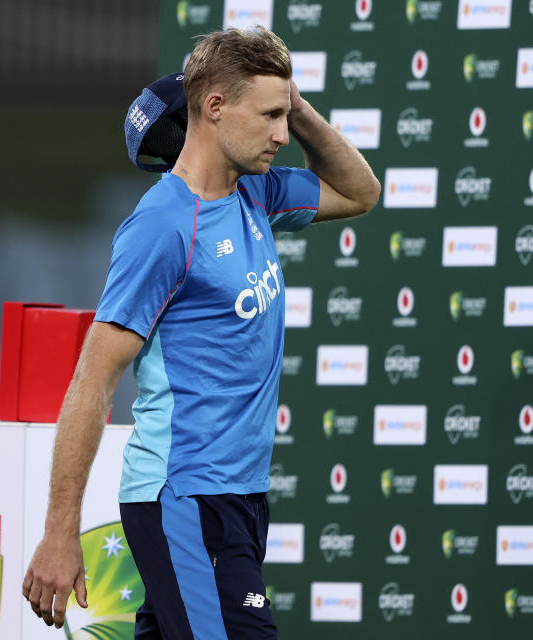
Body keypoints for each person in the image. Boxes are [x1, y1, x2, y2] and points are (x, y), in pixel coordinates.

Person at [23, 27, 380, 639]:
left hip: (236, 494)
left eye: (284, 113)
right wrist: (60, 532)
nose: (280, 133)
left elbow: (360, 191)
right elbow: (93, 378)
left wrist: (295, 102)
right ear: (213, 107)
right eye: (268, 114)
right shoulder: (162, 227)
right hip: (187, 496)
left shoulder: (257, 195)